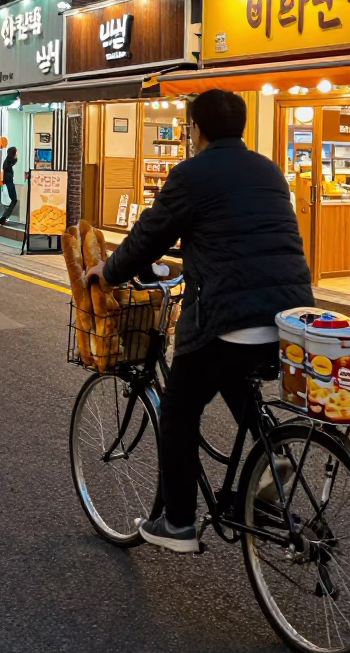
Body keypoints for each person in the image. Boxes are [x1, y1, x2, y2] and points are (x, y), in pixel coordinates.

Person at [86, 89, 314, 553]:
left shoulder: (191, 174)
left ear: (198, 130)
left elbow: (150, 235)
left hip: (227, 317)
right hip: (289, 319)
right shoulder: (268, 170)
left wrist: (106, 273)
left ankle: (179, 522)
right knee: (233, 372)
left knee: (178, 409)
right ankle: (274, 454)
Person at [0, 146, 18, 226]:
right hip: (9, 182)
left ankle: (4, 217)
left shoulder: (7, 160)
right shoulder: (10, 160)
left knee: (13, 200)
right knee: (14, 200)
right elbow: (15, 160)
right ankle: (4, 218)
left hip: (8, 182)